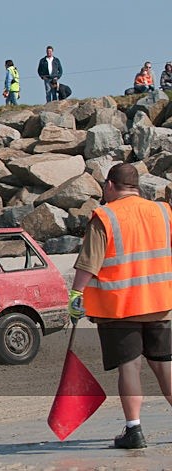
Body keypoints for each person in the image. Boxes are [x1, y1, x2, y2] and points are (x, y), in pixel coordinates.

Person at [69, 163, 172, 450]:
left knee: (130, 367)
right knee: (165, 366)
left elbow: (89, 263)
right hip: (159, 302)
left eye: (104, 186)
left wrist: (75, 295)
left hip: (120, 306)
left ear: (111, 186)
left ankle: (134, 430)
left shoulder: (105, 216)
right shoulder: (164, 212)